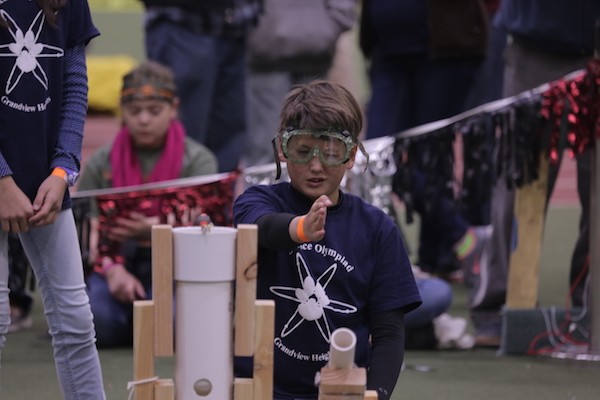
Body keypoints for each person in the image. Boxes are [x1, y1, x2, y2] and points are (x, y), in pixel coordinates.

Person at [233, 80, 422, 400]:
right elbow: (259, 228)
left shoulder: (377, 228)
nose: (316, 166)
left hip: (340, 393)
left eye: (332, 153)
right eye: (303, 151)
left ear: (351, 156)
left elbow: (388, 334)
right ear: (281, 149)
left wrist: (376, 394)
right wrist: (300, 230)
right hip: (258, 391)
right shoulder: (255, 202)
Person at [474, 0, 600, 346]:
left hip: (592, 49)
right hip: (536, 46)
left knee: (598, 187)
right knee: (516, 181)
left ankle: (591, 309)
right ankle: (496, 308)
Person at [0, 1, 106, 398]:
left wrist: (63, 170)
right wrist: (2, 180)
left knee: (76, 321)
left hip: (47, 183)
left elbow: (75, 86)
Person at [77, 61, 218, 348]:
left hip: (179, 263)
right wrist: (113, 271)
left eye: (154, 111)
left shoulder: (198, 160)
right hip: (117, 260)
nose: (143, 120)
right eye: (134, 111)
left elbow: (208, 228)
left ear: (173, 108)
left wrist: (153, 228)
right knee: (95, 323)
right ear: (122, 110)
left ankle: (144, 318)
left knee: (177, 320)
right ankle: (132, 316)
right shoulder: (102, 163)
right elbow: (91, 233)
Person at [359, 0, 492, 280]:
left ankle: (439, 260)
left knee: (432, 161)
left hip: (446, 49)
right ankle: (462, 238)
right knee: (374, 157)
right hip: (388, 49)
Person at [140, 0, 262, 173]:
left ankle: (219, 200)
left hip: (236, 28)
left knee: (229, 139)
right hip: (182, 23)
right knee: (179, 137)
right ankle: (174, 200)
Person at [242, 0, 358, 167]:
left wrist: (331, 24)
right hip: (265, 55)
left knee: (317, 147)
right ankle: (262, 193)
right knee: (265, 151)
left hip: (316, 51)